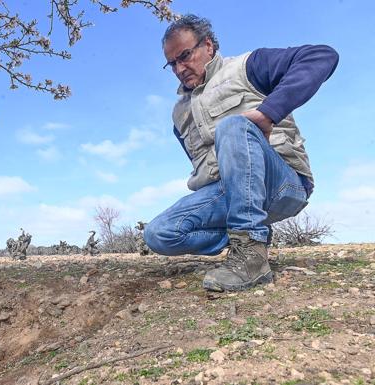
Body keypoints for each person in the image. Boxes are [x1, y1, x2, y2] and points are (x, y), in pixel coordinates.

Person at [143, 14, 339, 292]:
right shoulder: (179, 114)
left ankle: (250, 254)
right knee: (158, 234)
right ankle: (252, 235)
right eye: (172, 63)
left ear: (208, 46)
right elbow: (202, 164)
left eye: (185, 56)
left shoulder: (247, 66)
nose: (179, 68)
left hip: (282, 183)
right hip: (229, 193)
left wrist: (268, 113)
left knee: (234, 126)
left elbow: (321, 56)